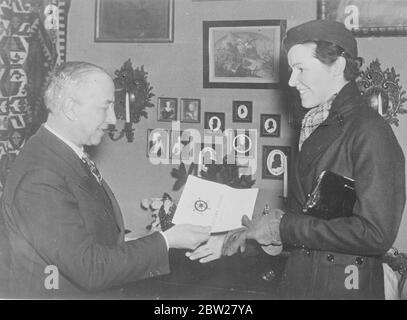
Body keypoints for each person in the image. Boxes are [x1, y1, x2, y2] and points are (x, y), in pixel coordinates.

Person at [188, 20, 405, 300]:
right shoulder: (315, 123)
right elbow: (311, 219)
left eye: (301, 69)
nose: (291, 81)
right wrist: (252, 236)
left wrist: (283, 228)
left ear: (337, 66)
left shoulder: (370, 131)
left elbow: (376, 234)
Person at [0, 62, 210, 298]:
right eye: (105, 107)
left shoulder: (63, 155)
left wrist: (146, 239)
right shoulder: (41, 176)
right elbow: (90, 269)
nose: (112, 119)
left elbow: (85, 239)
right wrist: (166, 241)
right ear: (71, 108)